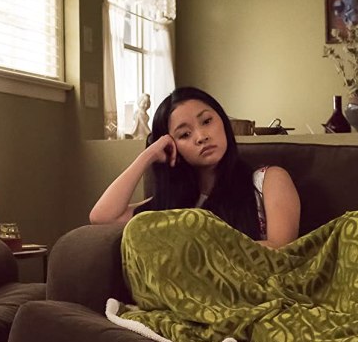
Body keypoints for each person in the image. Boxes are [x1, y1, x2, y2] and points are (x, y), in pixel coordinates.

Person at [90, 86, 301, 249]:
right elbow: (102, 217)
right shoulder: (172, 203)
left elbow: (281, 251)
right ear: (173, 146)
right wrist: (148, 154)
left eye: (207, 121)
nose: (201, 137)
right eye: (184, 134)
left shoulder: (269, 180)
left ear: (222, 121)